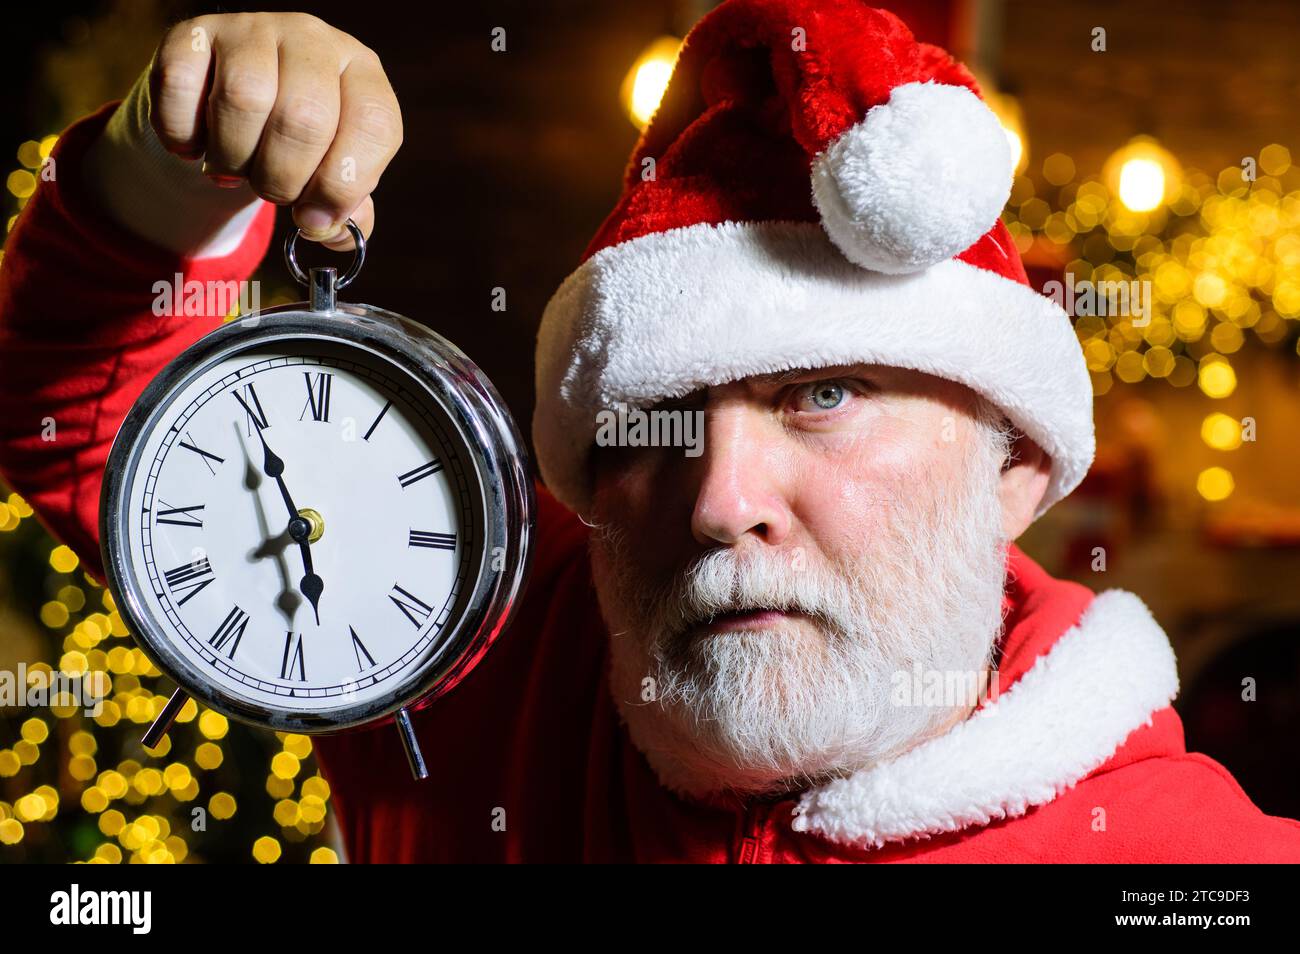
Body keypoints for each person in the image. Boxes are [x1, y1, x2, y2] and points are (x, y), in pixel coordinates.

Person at [2, 1, 1297, 863]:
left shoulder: (1188, 865)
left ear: (1016, 461)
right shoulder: (470, 645)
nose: (722, 496)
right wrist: (172, 166)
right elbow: (85, 419)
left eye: (821, 395)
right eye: (658, 417)